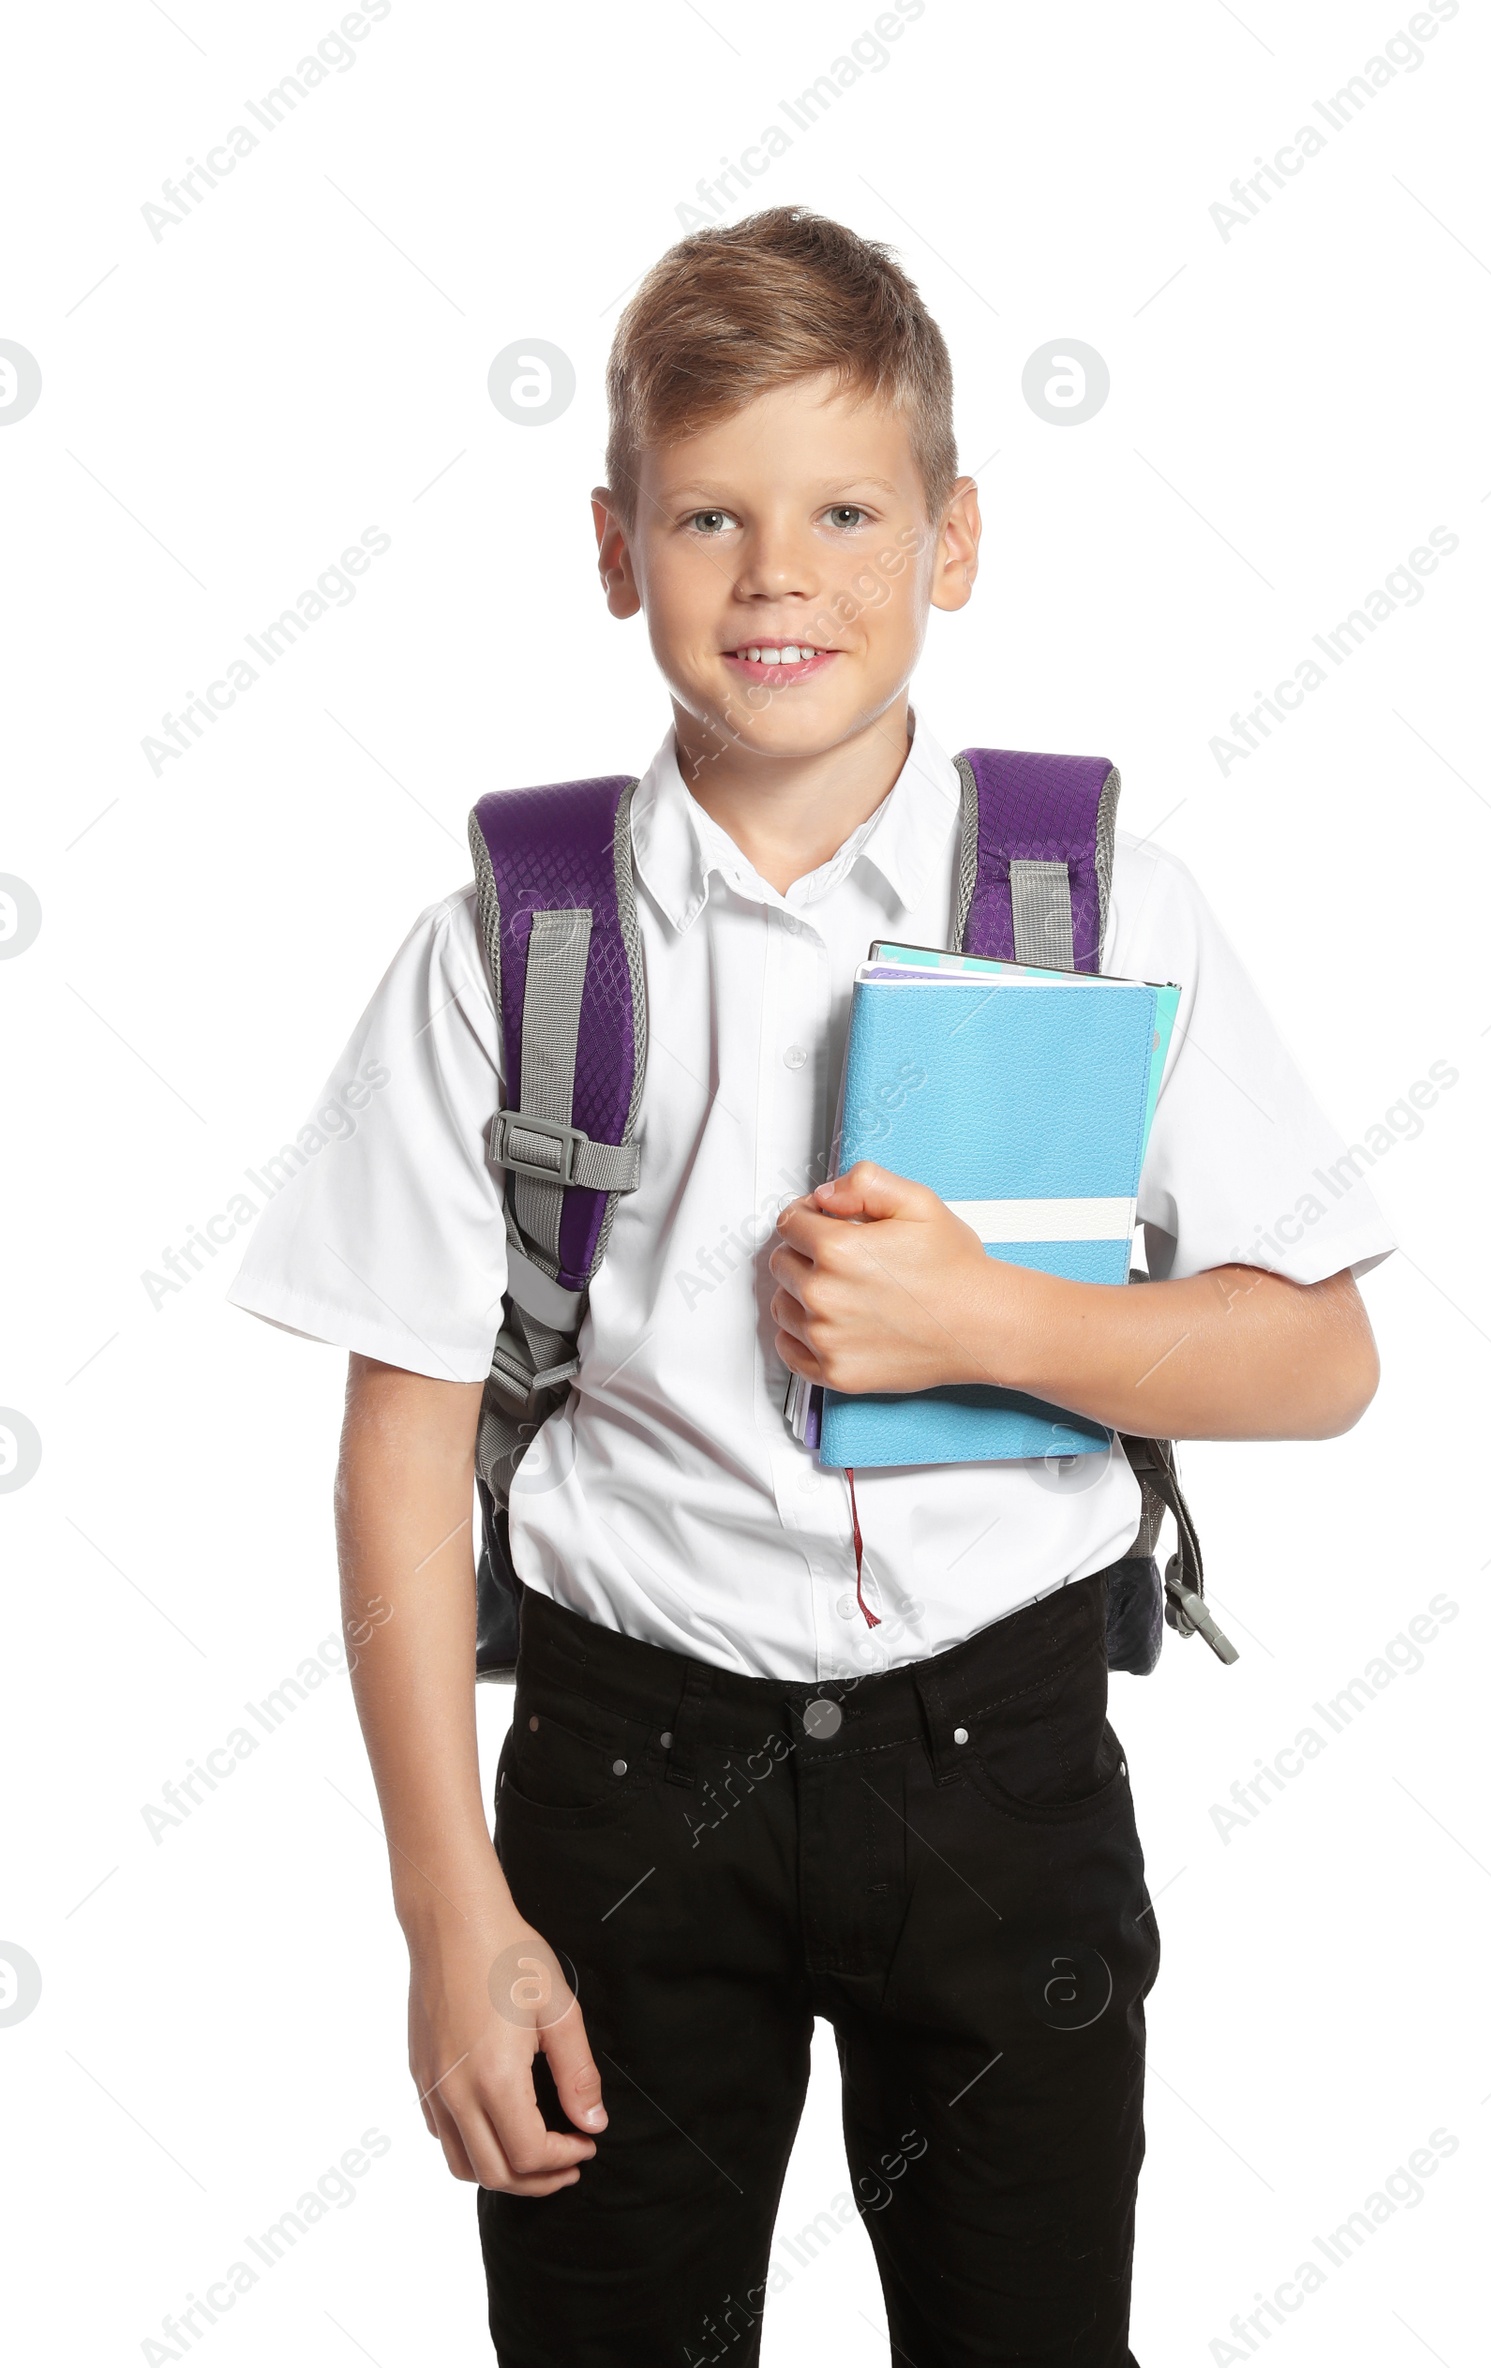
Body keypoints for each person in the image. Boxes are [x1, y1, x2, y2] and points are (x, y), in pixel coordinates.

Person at [229, 206, 1393, 2367]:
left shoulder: (1098, 891)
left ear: (954, 539)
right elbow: (396, 1449)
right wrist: (445, 1915)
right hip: (617, 1774)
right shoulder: (508, 937)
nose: (778, 574)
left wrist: (993, 1327)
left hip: (1001, 1761)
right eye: (710, 516)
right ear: (614, 547)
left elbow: (1318, 1355)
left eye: (848, 508)